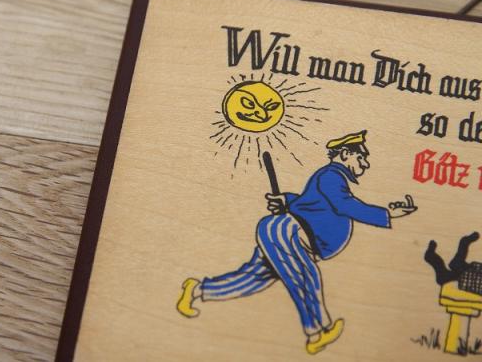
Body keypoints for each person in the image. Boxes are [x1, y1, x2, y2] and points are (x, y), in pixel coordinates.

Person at [177, 130, 418, 355]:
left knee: (253, 278)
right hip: (290, 233)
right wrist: (387, 214)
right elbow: (345, 206)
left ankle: (197, 290)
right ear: (345, 154)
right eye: (361, 157)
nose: (365, 164)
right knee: (305, 276)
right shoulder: (332, 176)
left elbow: (309, 202)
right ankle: (317, 332)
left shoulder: (330, 178)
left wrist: (285, 199)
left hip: (288, 234)